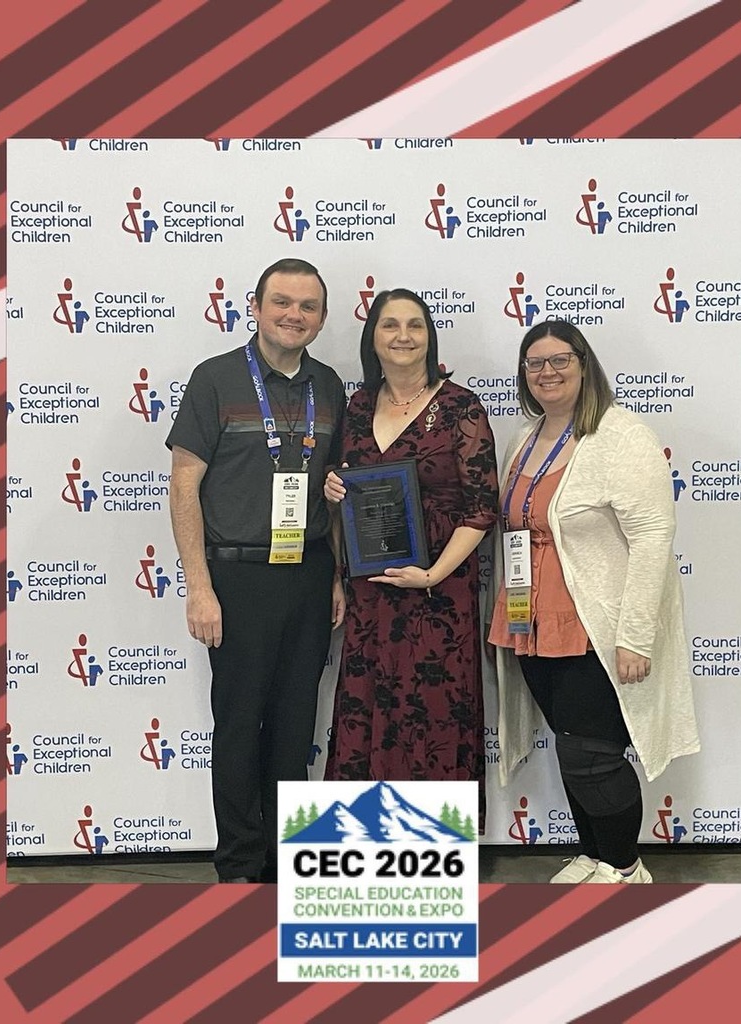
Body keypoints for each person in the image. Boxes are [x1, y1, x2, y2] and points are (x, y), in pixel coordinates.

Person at [488, 320, 699, 884]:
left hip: (592, 624)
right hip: (529, 619)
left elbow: (654, 536)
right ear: (523, 373)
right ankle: (594, 854)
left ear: (585, 365)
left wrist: (635, 635)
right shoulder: (523, 439)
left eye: (561, 360)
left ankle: (625, 867)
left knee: (594, 753)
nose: (547, 372)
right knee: (570, 746)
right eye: (535, 363)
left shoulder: (621, 435)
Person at [166, 258, 346, 883]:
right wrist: (199, 587)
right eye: (282, 302)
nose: (294, 315)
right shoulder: (214, 378)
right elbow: (184, 485)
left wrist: (333, 576)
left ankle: (285, 864)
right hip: (236, 577)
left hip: (308, 572)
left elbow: (328, 488)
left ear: (322, 318)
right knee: (240, 722)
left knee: (296, 724)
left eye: (308, 306)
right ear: (257, 307)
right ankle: (240, 865)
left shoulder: (330, 386)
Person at [323, 288, 499, 786]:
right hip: (369, 591)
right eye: (390, 324)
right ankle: (367, 850)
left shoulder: (461, 407)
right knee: (366, 707)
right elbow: (343, 503)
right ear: (372, 337)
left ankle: (429, 852)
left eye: (415, 324)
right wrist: (334, 488)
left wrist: (432, 575)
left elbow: (483, 507)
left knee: (433, 715)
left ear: (430, 336)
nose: (403, 335)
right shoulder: (355, 407)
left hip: (438, 592)